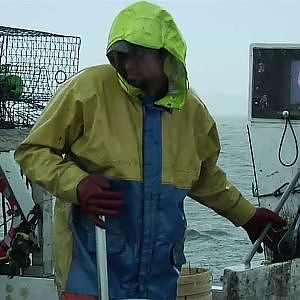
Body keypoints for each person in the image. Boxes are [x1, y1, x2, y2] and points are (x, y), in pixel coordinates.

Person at [14, 1, 286, 299]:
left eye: (138, 55)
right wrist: (77, 184)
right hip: (91, 267)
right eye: (121, 55)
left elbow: (204, 177)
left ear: (167, 55)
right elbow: (33, 151)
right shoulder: (88, 89)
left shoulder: (193, 112)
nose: (128, 65)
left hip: (159, 275)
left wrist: (247, 216)